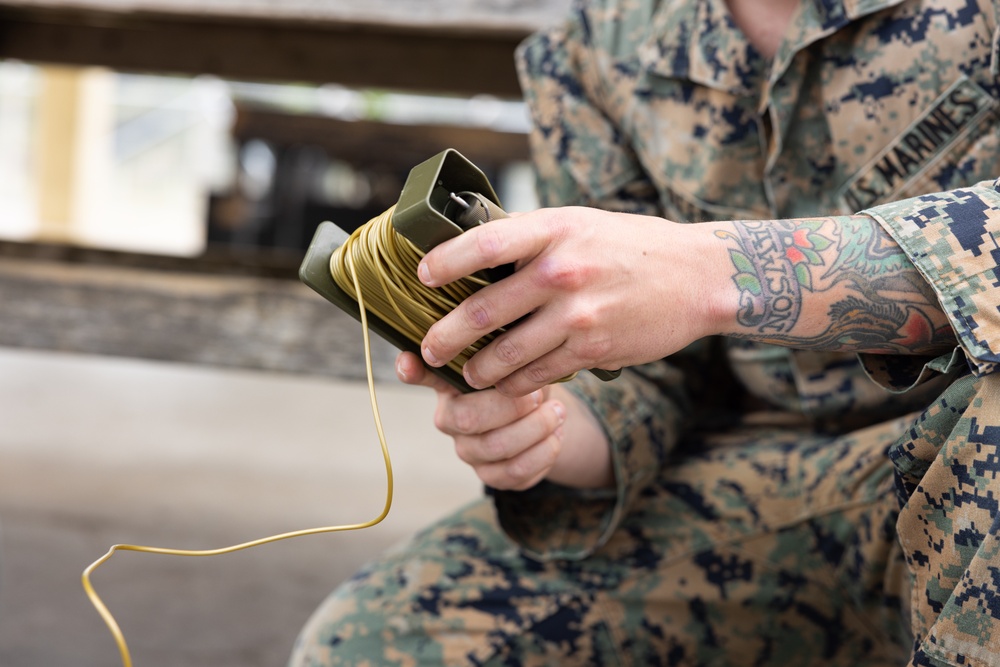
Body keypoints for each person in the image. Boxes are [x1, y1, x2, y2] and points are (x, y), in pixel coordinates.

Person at [291, 0, 1000, 664]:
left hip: (968, 451)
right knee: (375, 639)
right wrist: (555, 420)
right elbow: (650, 373)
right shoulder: (598, 44)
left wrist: (716, 272)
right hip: (764, 485)